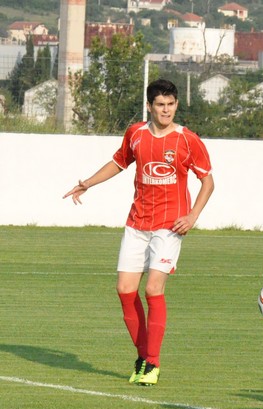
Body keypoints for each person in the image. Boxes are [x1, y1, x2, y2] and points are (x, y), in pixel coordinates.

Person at [63, 79, 214, 386]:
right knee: (124, 290)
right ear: (149, 106)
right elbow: (119, 163)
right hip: (137, 223)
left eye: (171, 104)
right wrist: (87, 183)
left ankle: (153, 365)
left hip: (169, 226)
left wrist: (193, 215)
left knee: (153, 289)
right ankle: (143, 356)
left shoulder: (187, 140)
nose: (166, 110)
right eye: (161, 105)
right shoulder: (136, 134)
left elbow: (208, 181)